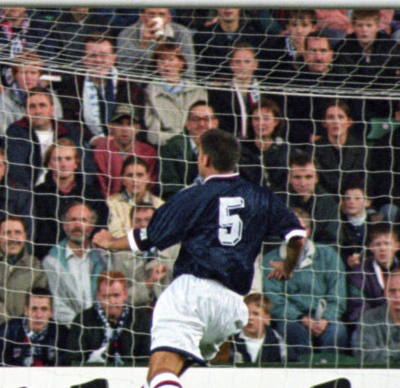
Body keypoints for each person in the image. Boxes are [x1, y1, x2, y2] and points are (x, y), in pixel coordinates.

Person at [92, 128, 306, 388]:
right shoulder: (262, 196)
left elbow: (150, 237)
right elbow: (297, 237)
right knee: (167, 373)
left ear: (204, 159)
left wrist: (110, 242)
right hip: (232, 306)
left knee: (160, 369)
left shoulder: (194, 195)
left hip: (193, 294)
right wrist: (288, 266)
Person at [262, 207, 349, 358]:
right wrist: (301, 318)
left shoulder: (328, 255)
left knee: (337, 332)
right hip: (292, 319)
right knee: (292, 330)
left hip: (324, 317)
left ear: (308, 230)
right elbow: (273, 298)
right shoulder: (270, 259)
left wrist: (325, 318)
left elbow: (338, 294)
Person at [67, 270, 151, 365]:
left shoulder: (142, 320)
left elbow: (147, 359)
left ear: (125, 294)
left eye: (116, 296)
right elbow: (74, 360)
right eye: (106, 296)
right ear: (98, 295)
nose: (112, 301)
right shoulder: (82, 321)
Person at [43, 202, 107, 324]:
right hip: (67, 331)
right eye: (73, 220)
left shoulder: (103, 260)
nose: (78, 225)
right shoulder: (51, 262)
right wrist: (80, 328)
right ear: (65, 226)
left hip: (100, 328)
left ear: (91, 226)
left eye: (83, 220)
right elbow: (57, 305)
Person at [0, 216, 48, 324]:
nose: (13, 238)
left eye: (18, 232)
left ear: (24, 236)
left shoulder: (35, 265)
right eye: (7, 233)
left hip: (23, 333)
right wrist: (10, 326)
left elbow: (39, 302)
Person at [143, 42, 206, 146]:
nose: (166, 64)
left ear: (181, 63)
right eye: (161, 60)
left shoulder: (197, 92)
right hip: (165, 146)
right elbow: (153, 135)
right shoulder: (150, 92)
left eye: (170, 59)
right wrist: (179, 140)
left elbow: (203, 127)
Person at [0, 287, 71, 366]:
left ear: (51, 312)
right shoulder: (6, 333)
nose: (39, 315)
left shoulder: (62, 335)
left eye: (44, 309)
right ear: (26, 311)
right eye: (34, 309)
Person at [92, 104, 158, 198]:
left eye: (129, 124)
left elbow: (150, 186)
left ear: (137, 128)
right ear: (111, 127)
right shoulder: (100, 152)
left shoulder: (149, 152)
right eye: (120, 124)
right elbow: (102, 187)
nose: (125, 129)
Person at [157, 101, 218, 199]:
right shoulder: (171, 148)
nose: (201, 124)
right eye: (195, 119)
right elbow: (169, 187)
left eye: (207, 119)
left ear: (215, 123)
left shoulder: (225, 147)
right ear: (187, 123)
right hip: (183, 204)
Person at [116, 7, 195, 82]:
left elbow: (189, 71)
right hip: (139, 89)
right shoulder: (127, 34)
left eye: (161, 15)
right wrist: (144, 44)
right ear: (142, 17)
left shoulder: (182, 33)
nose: (156, 19)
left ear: (169, 18)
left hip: (174, 87)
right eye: (151, 15)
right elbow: (126, 71)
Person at [346, 223, 400, 325]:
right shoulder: (359, 273)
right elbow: (357, 308)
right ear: (370, 247)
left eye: (387, 243)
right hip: (372, 326)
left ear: (397, 246)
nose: (383, 249)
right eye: (378, 244)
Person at [281, 152, 340, 245]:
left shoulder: (328, 204)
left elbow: (332, 241)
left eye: (308, 177)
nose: (303, 183)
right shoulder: (278, 202)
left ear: (316, 178)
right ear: (289, 179)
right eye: (297, 177)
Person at [352, 269, 400, 366]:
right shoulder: (368, 319)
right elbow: (363, 355)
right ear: (385, 293)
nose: (397, 295)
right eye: (392, 291)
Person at [227, 293, 289, 364]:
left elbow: (292, 366)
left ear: (266, 318)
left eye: (256, 314)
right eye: (246, 313)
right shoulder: (230, 339)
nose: (250, 318)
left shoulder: (277, 341)